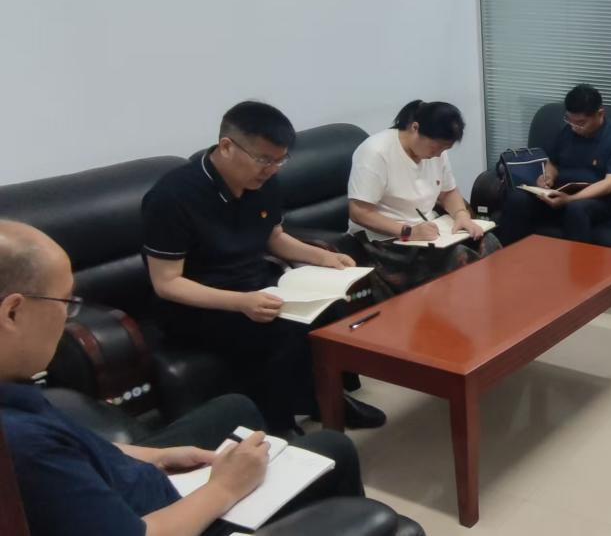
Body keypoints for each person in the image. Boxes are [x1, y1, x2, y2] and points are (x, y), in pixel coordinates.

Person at [0, 221, 374, 536]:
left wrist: (157, 457)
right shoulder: (24, 443)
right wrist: (225, 488)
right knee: (333, 448)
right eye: (66, 302)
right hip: (163, 518)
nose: (67, 319)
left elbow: (78, 447)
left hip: (131, 480)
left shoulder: (15, 387)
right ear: (13, 312)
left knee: (236, 407)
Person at [141, 101, 385, 432]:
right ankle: (278, 425)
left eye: (280, 160)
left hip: (255, 283)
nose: (271, 169)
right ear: (227, 146)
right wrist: (241, 302)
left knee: (331, 308)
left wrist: (323, 258)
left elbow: (275, 238)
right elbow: (167, 283)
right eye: (264, 159)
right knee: (279, 331)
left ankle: (327, 399)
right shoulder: (171, 197)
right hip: (197, 305)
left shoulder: (263, 182)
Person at [346, 99, 501, 293]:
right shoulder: (375, 152)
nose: (438, 155)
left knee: (489, 242)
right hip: (386, 240)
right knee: (459, 258)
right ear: (415, 128)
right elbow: (359, 212)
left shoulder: (435, 153)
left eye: (444, 150)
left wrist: (461, 215)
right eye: (435, 148)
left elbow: (448, 192)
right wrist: (408, 232)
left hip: (429, 231)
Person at [495, 84, 611, 245]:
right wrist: (547, 177)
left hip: (599, 199)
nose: (574, 128)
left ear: (600, 114)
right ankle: (510, 256)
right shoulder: (567, 131)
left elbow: (610, 184)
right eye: (569, 120)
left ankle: (579, 261)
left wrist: (571, 199)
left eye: (580, 123)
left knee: (577, 209)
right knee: (517, 198)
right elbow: (552, 163)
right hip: (561, 193)